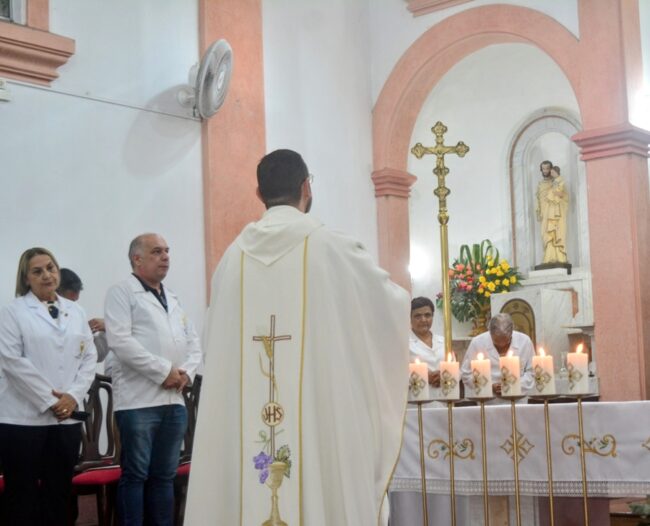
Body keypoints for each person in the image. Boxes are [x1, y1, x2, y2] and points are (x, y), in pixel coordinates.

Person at [185, 149, 410, 526]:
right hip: (321, 415)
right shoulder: (334, 249)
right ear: (306, 187)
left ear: (260, 194)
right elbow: (389, 307)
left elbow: (213, 345)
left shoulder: (231, 260)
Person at [104, 233, 202, 526]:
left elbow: (193, 343)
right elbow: (120, 342)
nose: (166, 257)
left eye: (167, 251)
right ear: (137, 259)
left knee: (164, 476)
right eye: (157, 251)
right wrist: (164, 371)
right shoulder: (121, 292)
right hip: (138, 402)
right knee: (136, 475)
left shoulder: (173, 297)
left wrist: (186, 373)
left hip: (174, 401)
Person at [0, 247, 97, 526]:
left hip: (66, 420)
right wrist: (52, 401)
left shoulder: (76, 311)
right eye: (37, 271)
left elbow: (89, 357)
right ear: (26, 278)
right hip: (22, 420)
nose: (47, 275)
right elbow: (12, 362)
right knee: (22, 496)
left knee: (59, 493)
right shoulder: (12, 312)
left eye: (51, 268)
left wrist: (73, 397)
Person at [460, 313, 534, 397]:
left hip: (518, 398)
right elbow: (466, 374)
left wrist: (515, 385)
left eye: (506, 343)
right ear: (490, 332)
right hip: (488, 400)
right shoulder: (477, 343)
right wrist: (488, 386)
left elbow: (532, 373)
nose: (501, 346)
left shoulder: (525, 341)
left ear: (512, 332)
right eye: (496, 343)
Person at [57, 267, 110, 363]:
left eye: (74, 302)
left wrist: (106, 328)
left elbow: (97, 354)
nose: (73, 307)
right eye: (70, 302)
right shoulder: (39, 320)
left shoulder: (78, 316)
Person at [536, 160, 569, 264]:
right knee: (546, 234)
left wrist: (557, 195)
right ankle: (548, 256)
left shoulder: (557, 182)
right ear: (541, 170)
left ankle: (559, 257)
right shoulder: (540, 184)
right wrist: (538, 210)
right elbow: (538, 198)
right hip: (544, 213)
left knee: (556, 232)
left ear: (551, 169)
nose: (545, 171)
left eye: (547, 168)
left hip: (555, 213)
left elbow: (565, 196)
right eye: (543, 168)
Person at [410, 296, 444, 387]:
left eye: (427, 315)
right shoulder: (404, 344)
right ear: (410, 318)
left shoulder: (444, 342)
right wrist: (424, 376)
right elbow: (396, 373)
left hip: (444, 393)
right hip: (417, 393)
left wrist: (443, 376)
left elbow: (457, 371)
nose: (423, 320)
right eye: (418, 316)